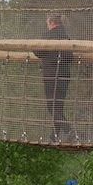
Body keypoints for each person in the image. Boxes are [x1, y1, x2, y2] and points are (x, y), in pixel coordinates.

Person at [33, 11, 73, 140]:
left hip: (51, 76)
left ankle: (69, 130)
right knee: (58, 106)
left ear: (51, 22)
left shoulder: (48, 36)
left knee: (52, 107)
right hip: (64, 75)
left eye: (47, 23)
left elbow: (37, 51)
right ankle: (54, 136)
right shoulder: (66, 36)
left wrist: (48, 56)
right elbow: (70, 57)